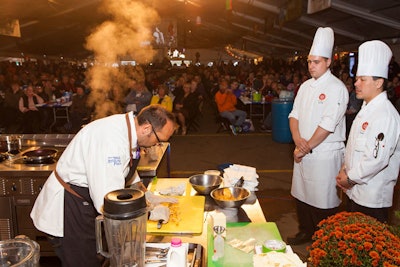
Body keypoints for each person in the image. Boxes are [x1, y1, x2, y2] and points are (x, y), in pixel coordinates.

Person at [30, 104, 176, 267]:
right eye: (159, 141)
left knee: (95, 257)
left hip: (83, 204)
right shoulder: (110, 141)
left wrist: (145, 193)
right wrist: (149, 212)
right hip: (70, 208)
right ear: (147, 128)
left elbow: (125, 167)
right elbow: (108, 201)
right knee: (83, 263)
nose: (157, 146)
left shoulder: (127, 128)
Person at [287, 27, 349, 245]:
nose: (311, 66)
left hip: (323, 154)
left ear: (328, 62)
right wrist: (297, 140)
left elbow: (327, 124)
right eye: (309, 62)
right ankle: (305, 231)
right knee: (302, 195)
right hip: (302, 150)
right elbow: (293, 115)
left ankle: (326, 241)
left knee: (323, 200)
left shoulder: (336, 88)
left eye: (317, 62)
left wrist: (305, 146)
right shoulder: (304, 86)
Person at [336, 40, 400, 223]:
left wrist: (349, 178)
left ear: (379, 82)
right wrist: (344, 169)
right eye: (356, 79)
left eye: (362, 79)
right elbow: (354, 146)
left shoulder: (385, 115)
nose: (356, 83)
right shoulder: (366, 109)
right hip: (355, 191)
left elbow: (376, 160)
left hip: (372, 198)